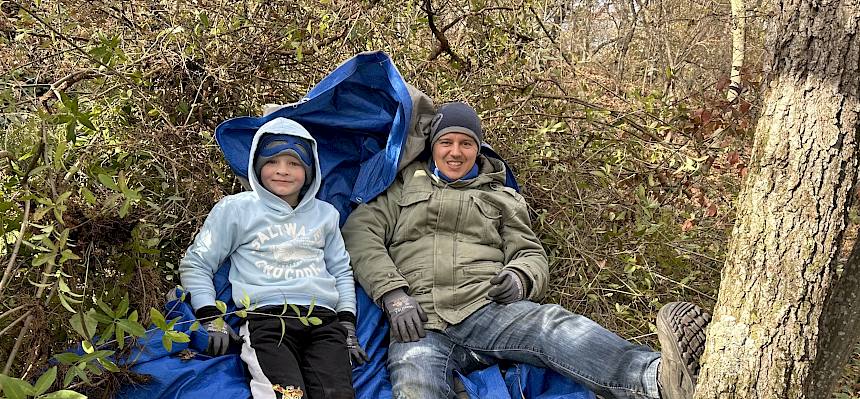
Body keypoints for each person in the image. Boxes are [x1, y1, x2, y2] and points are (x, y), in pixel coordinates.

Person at [341, 102, 710, 399]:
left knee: (554, 326)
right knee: (414, 386)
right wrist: (393, 293)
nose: (456, 152)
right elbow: (360, 234)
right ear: (433, 146)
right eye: (446, 142)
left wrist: (520, 279)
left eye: (466, 143)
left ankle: (655, 380)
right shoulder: (401, 187)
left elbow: (530, 254)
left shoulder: (501, 195)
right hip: (419, 322)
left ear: (477, 148)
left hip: (487, 308)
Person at [179, 118, 368, 399]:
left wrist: (347, 325)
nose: (282, 171)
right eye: (272, 162)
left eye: (294, 164)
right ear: (257, 166)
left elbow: (341, 271)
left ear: (309, 170)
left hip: (323, 323)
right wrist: (211, 316)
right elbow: (197, 263)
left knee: (338, 394)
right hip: (267, 321)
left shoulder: (325, 214)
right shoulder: (237, 209)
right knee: (288, 395)